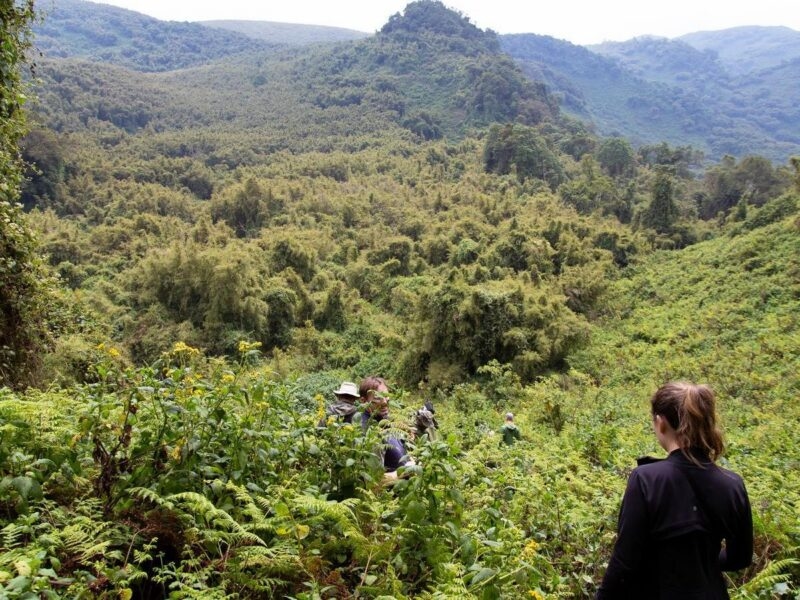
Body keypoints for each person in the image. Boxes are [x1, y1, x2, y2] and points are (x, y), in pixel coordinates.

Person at [596, 382, 753, 599]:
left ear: (661, 423)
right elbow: (740, 558)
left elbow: (624, 564)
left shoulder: (646, 480)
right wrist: (701, 563)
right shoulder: (732, 484)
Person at [359, 376, 409, 474]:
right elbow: (372, 481)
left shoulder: (385, 421)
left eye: (386, 396)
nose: (385, 402)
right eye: (378, 398)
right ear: (364, 401)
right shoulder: (367, 430)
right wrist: (405, 473)